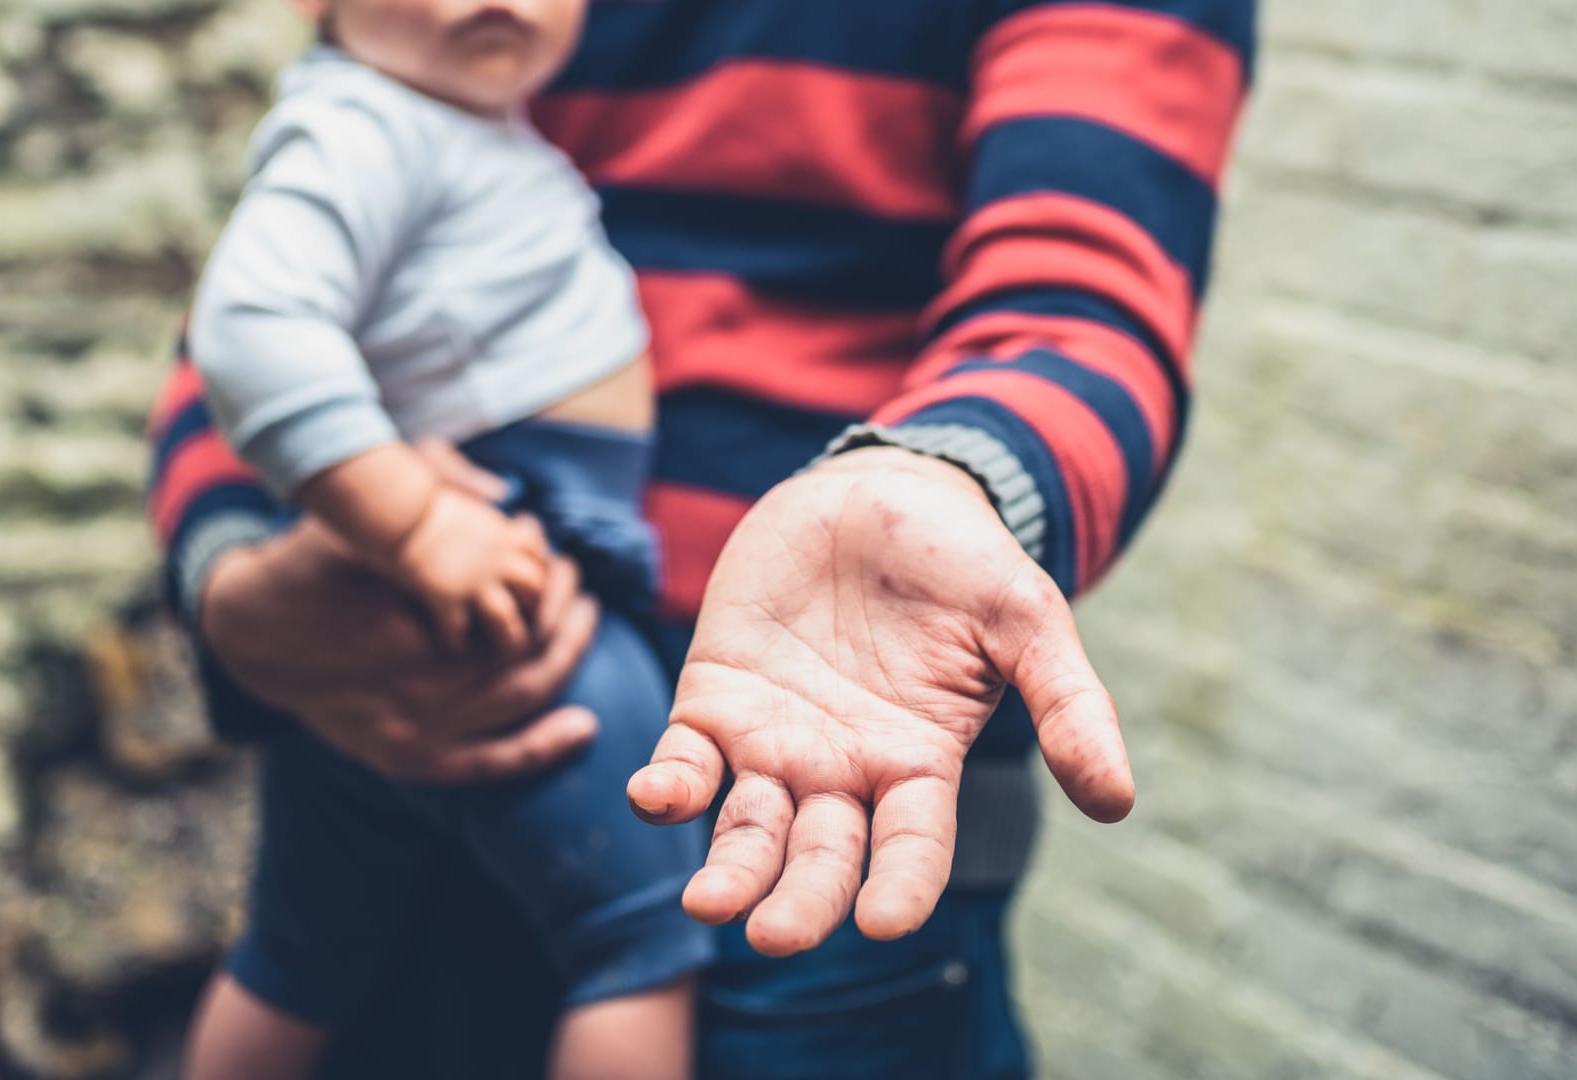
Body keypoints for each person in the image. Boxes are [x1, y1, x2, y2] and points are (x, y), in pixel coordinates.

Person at [146, 0, 1256, 1074]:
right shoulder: (408, 98)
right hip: (473, 634)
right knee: (407, 968)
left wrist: (944, 473)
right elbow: (251, 319)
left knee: (307, 962)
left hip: (813, 758)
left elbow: (1083, 291)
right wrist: (233, 567)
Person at [175, 0, 714, 1077]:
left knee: (298, 953)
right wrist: (415, 523)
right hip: (506, 596)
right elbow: (248, 329)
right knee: (642, 945)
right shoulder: (366, 130)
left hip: (449, 587)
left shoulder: (447, 123)